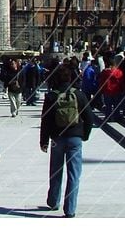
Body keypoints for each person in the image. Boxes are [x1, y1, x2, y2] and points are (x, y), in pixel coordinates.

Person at [39, 64, 93, 218]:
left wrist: (43, 141)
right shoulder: (79, 95)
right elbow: (89, 117)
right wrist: (85, 134)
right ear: (70, 78)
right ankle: (70, 209)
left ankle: (53, 201)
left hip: (56, 138)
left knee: (55, 171)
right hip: (75, 137)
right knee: (74, 174)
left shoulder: (51, 96)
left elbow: (46, 121)